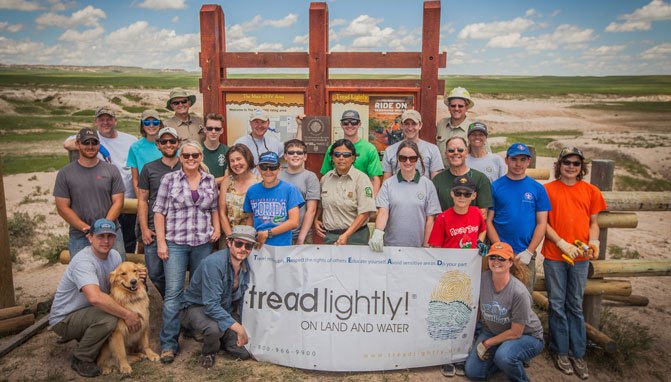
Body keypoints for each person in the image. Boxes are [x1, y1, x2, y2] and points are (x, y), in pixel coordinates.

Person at [49, 219, 144, 378]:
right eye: (100, 236)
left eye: (110, 236)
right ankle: (81, 357)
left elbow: (116, 288)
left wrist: (140, 278)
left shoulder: (114, 255)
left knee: (113, 314)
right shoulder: (84, 261)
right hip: (65, 317)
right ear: (90, 237)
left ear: (115, 238)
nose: (105, 241)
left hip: (87, 312)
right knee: (110, 319)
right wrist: (128, 315)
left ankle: (98, 342)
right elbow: (95, 298)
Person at [153, 141, 220, 364]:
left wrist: (217, 228)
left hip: (202, 242)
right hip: (176, 242)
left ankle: (194, 328)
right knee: (173, 293)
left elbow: (213, 208)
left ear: (201, 157)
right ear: (180, 158)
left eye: (195, 155)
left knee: (197, 290)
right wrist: (161, 242)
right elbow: (159, 212)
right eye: (187, 155)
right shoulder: (169, 180)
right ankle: (169, 343)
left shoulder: (209, 180)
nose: (191, 159)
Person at [542, 147, 606, 380]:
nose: (571, 167)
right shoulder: (547, 190)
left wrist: (595, 241)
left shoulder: (591, 191)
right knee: (557, 304)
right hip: (554, 255)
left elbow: (594, 222)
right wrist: (560, 243)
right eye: (566, 162)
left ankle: (577, 353)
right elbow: (544, 223)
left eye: (576, 163)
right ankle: (560, 351)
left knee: (575, 305)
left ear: (582, 167)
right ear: (559, 164)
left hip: (580, 257)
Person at [464, 242, 544, 382]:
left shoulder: (519, 292)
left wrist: (488, 343)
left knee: (505, 356)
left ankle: (519, 376)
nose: (496, 261)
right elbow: (476, 307)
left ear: (510, 262)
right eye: (492, 257)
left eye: (501, 258)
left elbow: (516, 332)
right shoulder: (483, 279)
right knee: (473, 372)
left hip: (526, 336)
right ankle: (502, 358)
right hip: (494, 330)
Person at [64, 107, 138, 254]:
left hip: (128, 199)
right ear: (96, 122)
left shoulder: (130, 140)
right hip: (104, 202)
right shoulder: (91, 137)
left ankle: (123, 273)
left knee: (128, 243)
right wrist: (100, 147)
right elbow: (67, 144)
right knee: (101, 241)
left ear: (115, 121)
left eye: (109, 119)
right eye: (101, 119)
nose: (105, 122)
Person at [181, 225, 256, 369]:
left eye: (248, 246)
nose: (243, 249)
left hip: (224, 309)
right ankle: (209, 352)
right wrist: (239, 329)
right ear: (229, 242)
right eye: (239, 243)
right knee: (215, 328)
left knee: (243, 353)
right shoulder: (214, 263)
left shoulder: (246, 265)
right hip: (197, 307)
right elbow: (210, 305)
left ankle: (219, 340)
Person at [487, 143, 551, 294]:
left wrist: (529, 252)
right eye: (514, 159)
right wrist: (501, 249)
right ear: (507, 160)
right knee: (498, 295)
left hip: (524, 253)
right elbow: (489, 221)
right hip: (500, 254)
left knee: (523, 297)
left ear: (528, 161)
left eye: (523, 159)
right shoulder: (495, 187)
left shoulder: (537, 188)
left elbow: (542, 223)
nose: (518, 164)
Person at [54, 127, 126, 259]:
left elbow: (118, 201)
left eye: (94, 142)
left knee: (118, 274)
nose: (90, 146)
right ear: (77, 144)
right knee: (82, 275)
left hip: (111, 231)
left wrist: (103, 227)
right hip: (80, 234)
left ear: (99, 144)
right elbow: (62, 207)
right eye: (86, 142)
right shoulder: (65, 173)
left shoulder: (111, 170)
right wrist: (86, 229)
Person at [369, 140, 441, 252]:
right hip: (391, 248)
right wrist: (378, 233)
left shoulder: (428, 185)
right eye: (403, 158)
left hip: (418, 248)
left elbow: (430, 219)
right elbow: (383, 212)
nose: (408, 162)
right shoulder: (388, 184)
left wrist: (426, 246)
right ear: (398, 158)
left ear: (417, 159)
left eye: (412, 158)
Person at [136, 127, 182, 298]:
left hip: (179, 228)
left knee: (178, 273)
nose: (168, 144)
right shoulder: (149, 169)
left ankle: (177, 305)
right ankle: (171, 300)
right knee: (155, 272)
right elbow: (142, 199)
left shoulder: (188, 164)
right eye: (164, 141)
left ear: (178, 143)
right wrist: (144, 229)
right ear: (158, 145)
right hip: (154, 228)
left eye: (172, 141)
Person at [315, 139, 377, 245]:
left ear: (353, 158)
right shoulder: (325, 179)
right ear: (332, 158)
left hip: (356, 237)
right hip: (330, 236)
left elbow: (365, 212)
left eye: (346, 155)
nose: (341, 158)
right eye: (337, 154)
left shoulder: (362, 179)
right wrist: (316, 219)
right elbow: (321, 206)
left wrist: (347, 235)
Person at [243, 151, 304, 247]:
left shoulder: (290, 189)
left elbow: (294, 221)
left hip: (282, 245)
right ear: (258, 169)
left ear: (279, 168)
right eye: (264, 167)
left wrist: (268, 233)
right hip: (258, 244)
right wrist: (247, 239)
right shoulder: (252, 190)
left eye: (272, 167)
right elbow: (250, 218)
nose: (268, 171)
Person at [320, 110, 383, 195]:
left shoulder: (369, 149)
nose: (349, 125)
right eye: (345, 123)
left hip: (361, 196)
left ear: (359, 124)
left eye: (353, 122)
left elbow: (375, 179)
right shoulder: (332, 148)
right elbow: (325, 176)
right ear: (341, 125)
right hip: (337, 196)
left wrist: (371, 201)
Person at [432, 136, 492, 217]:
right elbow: (434, 213)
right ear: (446, 154)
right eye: (451, 150)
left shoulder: (481, 179)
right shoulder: (437, 180)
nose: (456, 153)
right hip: (444, 227)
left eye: (460, 150)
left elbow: (483, 214)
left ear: (466, 152)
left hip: (471, 228)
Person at [278, 139, 320, 245]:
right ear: (285, 156)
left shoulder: (310, 177)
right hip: (279, 233)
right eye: (291, 152)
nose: (295, 155)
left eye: (299, 152)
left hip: (302, 235)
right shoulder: (277, 176)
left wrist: (301, 238)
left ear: (305, 157)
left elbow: (311, 210)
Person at [381, 109, 444, 180]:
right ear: (401, 125)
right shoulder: (390, 151)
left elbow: (435, 183)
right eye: (406, 124)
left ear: (420, 125)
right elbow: (386, 182)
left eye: (414, 123)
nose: (410, 128)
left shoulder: (432, 149)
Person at [428, 175, 486, 250]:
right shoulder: (442, 218)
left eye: (467, 194)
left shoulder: (476, 212)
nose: (462, 197)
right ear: (452, 194)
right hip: (450, 260)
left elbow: (483, 229)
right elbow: (436, 246)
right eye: (458, 193)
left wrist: (479, 242)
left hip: (471, 260)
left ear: (474, 196)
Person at [218, 144, 261, 238]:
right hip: (229, 235)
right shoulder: (227, 181)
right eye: (232, 161)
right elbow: (222, 213)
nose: (236, 163)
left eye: (238, 159)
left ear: (247, 159)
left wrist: (245, 239)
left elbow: (257, 215)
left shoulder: (259, 183)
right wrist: (231, 238)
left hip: (252, 237)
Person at [436, 87, 479, 166]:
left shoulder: (474, 130)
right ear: (448, 107)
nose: (456, 109)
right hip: (442, 174)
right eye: (453, 106)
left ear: (467, 107)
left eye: (460, 106)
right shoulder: (441, 124)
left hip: (465, 176)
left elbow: (484, 155)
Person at [128, 109, 163, 197]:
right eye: (147, 122)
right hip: (146, 194)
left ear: (160, 124)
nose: (151, 125)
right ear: (142, 125)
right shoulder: (135, 147)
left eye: (155, 122)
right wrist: (141, 200)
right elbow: (135, 179)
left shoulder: (169, 144)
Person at [201, 113, 229, 184]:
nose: (213, 132)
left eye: (217, 129)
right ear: (204, 129)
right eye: (210, 128)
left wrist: (208, 182)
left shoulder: (228, 151)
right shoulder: (196, 151)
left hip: (222, 192)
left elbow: (229, 177)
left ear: (221, 131)